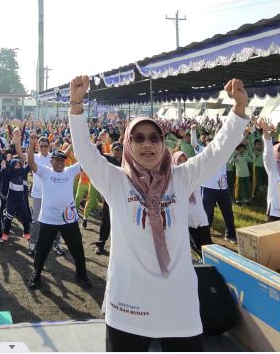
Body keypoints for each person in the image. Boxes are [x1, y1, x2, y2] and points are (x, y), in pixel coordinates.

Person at [68, 75, 249, 352]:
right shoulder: (115, 181)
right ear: (128, 144)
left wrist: (238, 109)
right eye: (138, 138)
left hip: (178, 305)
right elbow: (85, 151)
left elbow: (217, 151)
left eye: (154, 137)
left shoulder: (180, 178)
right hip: (128, 305)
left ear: (163, 143)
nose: (147, 144)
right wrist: (77, 104)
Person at [24, 135, 90, 290]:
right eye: (57, 160)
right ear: (51, 161)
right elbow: (31, 162)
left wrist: (83, 143)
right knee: (42, 250)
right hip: (48, 220)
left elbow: (86, 162)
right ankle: (36, 274)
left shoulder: (69, 171)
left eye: (62, 160)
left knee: (77, 249)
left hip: (69, 219)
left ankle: (81, 274)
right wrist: (31, 145)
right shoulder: (45, 171)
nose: (60, 163)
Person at [93, 143, 122, 256]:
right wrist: (99, 142)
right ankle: (101, 244)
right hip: (110, 194)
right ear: (112, 150)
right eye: (116, 149)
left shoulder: (126, 160)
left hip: (123, 195)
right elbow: (98, 154)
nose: (119, 151)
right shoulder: (108, 159)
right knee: (106, 220)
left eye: (120, 149)